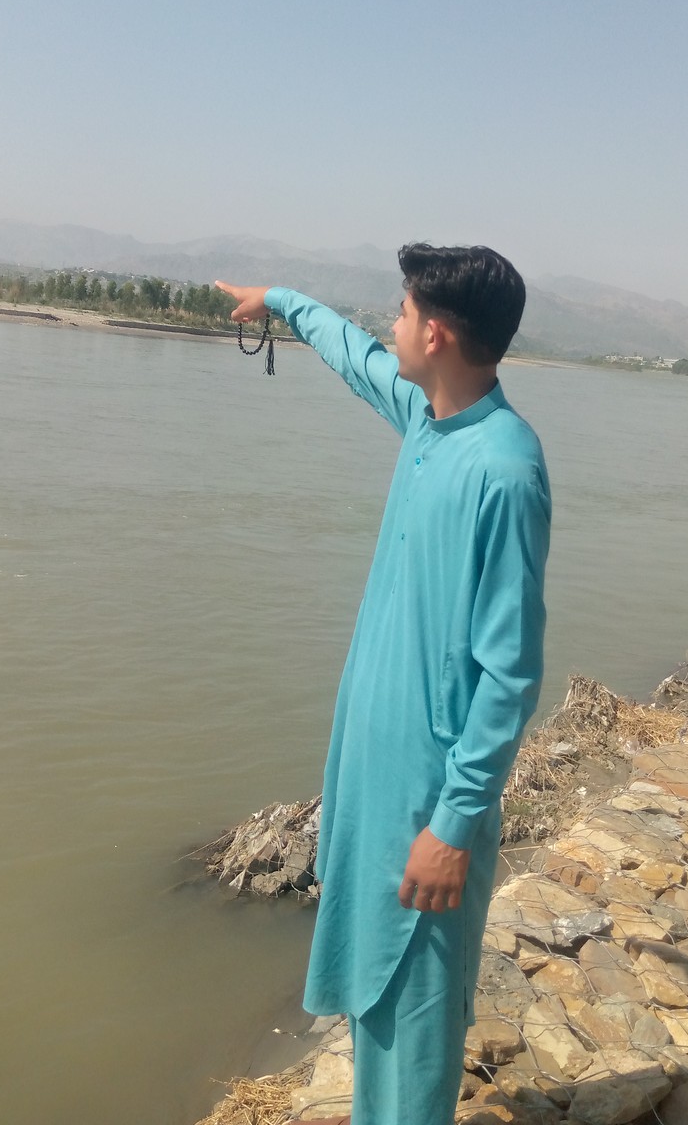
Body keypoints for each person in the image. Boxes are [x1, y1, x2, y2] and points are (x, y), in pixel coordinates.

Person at [217, 243, 550, 1125]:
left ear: (435, 334)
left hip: (426, 799)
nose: (389, 329)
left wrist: (453, 824)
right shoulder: (428, 421)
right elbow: (352, 353)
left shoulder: (504, 471)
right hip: (372, 778)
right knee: (374, 998)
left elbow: (510, 674)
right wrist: (281, 299)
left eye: (401, 314)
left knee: (416, 1017)